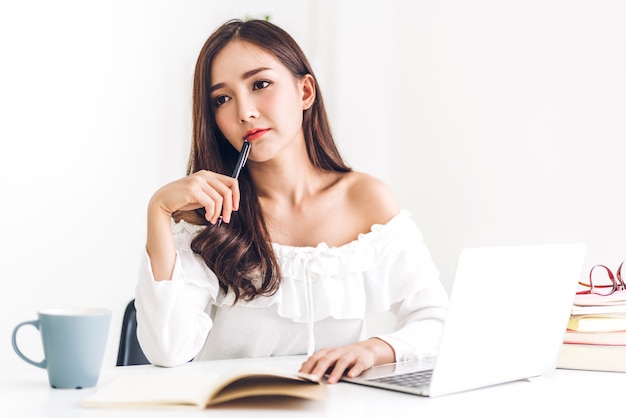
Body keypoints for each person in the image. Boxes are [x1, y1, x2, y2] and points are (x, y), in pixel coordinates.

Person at [135, 18, 449, 384]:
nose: (244, 112)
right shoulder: (210, 211)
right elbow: (168, 351)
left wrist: (371, 349)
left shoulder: (367, 200)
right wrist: (158, 211)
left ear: (305, 92)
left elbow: (436, 320)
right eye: (223, 98)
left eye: (261, 84)